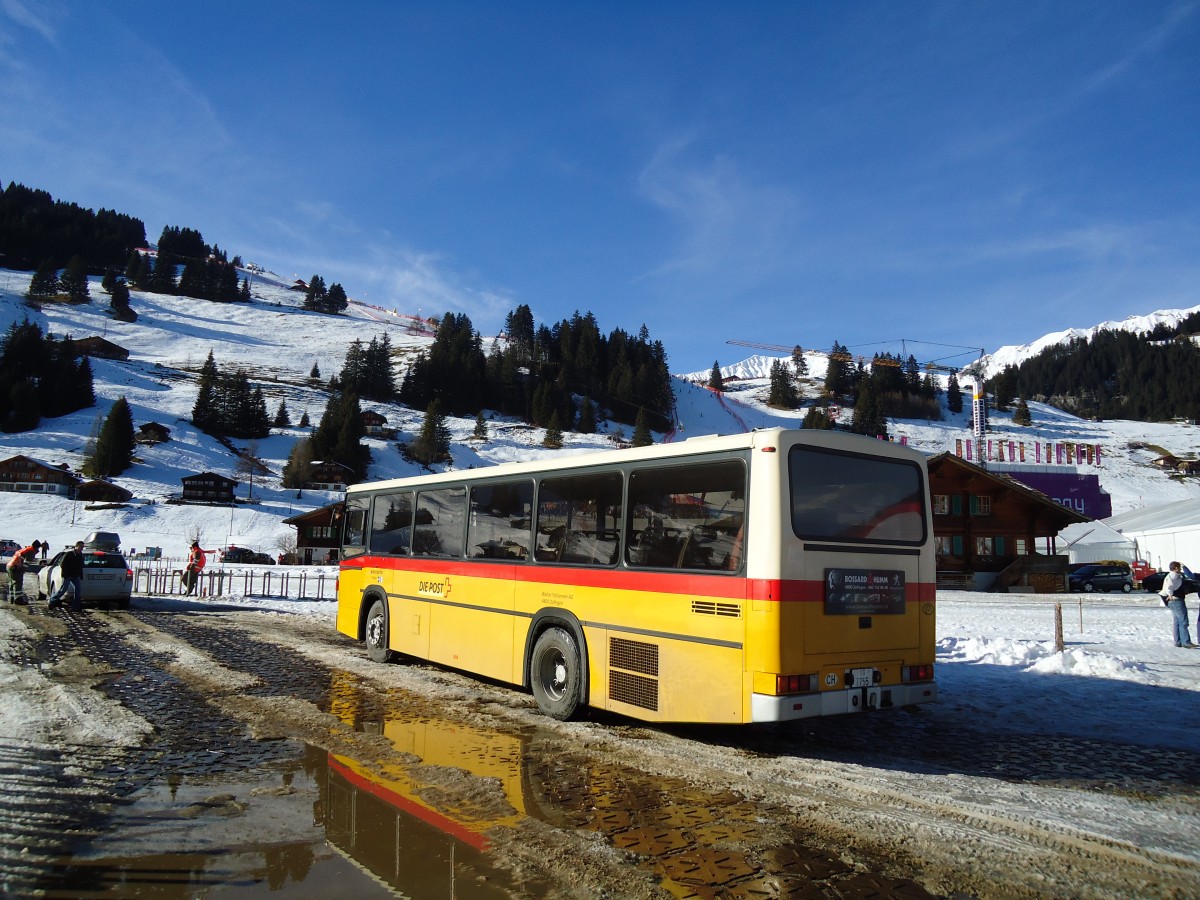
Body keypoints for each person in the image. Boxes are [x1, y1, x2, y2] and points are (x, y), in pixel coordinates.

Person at [1160, 561, 1195, 649]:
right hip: (1176, 601)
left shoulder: (1171, 575)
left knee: (1177, 621)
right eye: (1179, 567)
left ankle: (1178, 641)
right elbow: (1169, 586)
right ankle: (1186, 642)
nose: (1180, 569)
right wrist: (1170, 594)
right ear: (1175, 568)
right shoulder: (1173, 575)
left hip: (1173, 601)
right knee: (1183, 621)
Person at [47, 541, 85, 612]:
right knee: (63, 590)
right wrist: (65, 573)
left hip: (75, 575)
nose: (81, 548)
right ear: (76, 546)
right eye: (80, 546)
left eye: (82, 547)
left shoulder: (81, 555)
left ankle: (75, 606)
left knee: (78, 590)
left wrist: (80, 574)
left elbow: (80, 566)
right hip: (67, 575)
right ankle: (52, 601)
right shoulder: (69, 554)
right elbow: (63, 564)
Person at [5, 540, 41, 606]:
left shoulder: (25, 549)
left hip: (9, 565)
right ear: (37, 547)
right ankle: (18, 600)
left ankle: (12, 598)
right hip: (15, 567)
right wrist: (22, 571)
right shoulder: (31, 551)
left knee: (12, 583)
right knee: (18, 583)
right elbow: (26, 564)